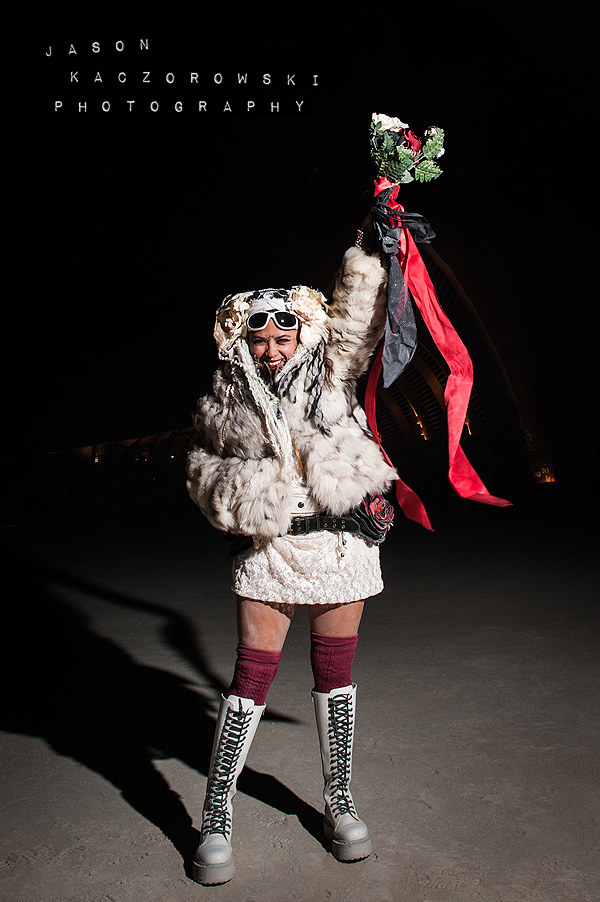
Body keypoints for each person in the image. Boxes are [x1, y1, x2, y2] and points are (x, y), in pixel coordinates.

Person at [186, 222, 396, 885]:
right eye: (261, 338)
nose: (273, 349)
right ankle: (216, 812)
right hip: (273, 546)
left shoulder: (332, 367)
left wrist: (374, 239)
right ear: (244, 339)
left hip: (341, 542)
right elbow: (203, 469)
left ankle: (339, 803)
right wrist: (248, 495)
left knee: (336, 674)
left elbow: (358, 314)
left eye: (283, 336)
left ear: (302, 333)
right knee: (253, 675)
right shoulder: (227, 395)